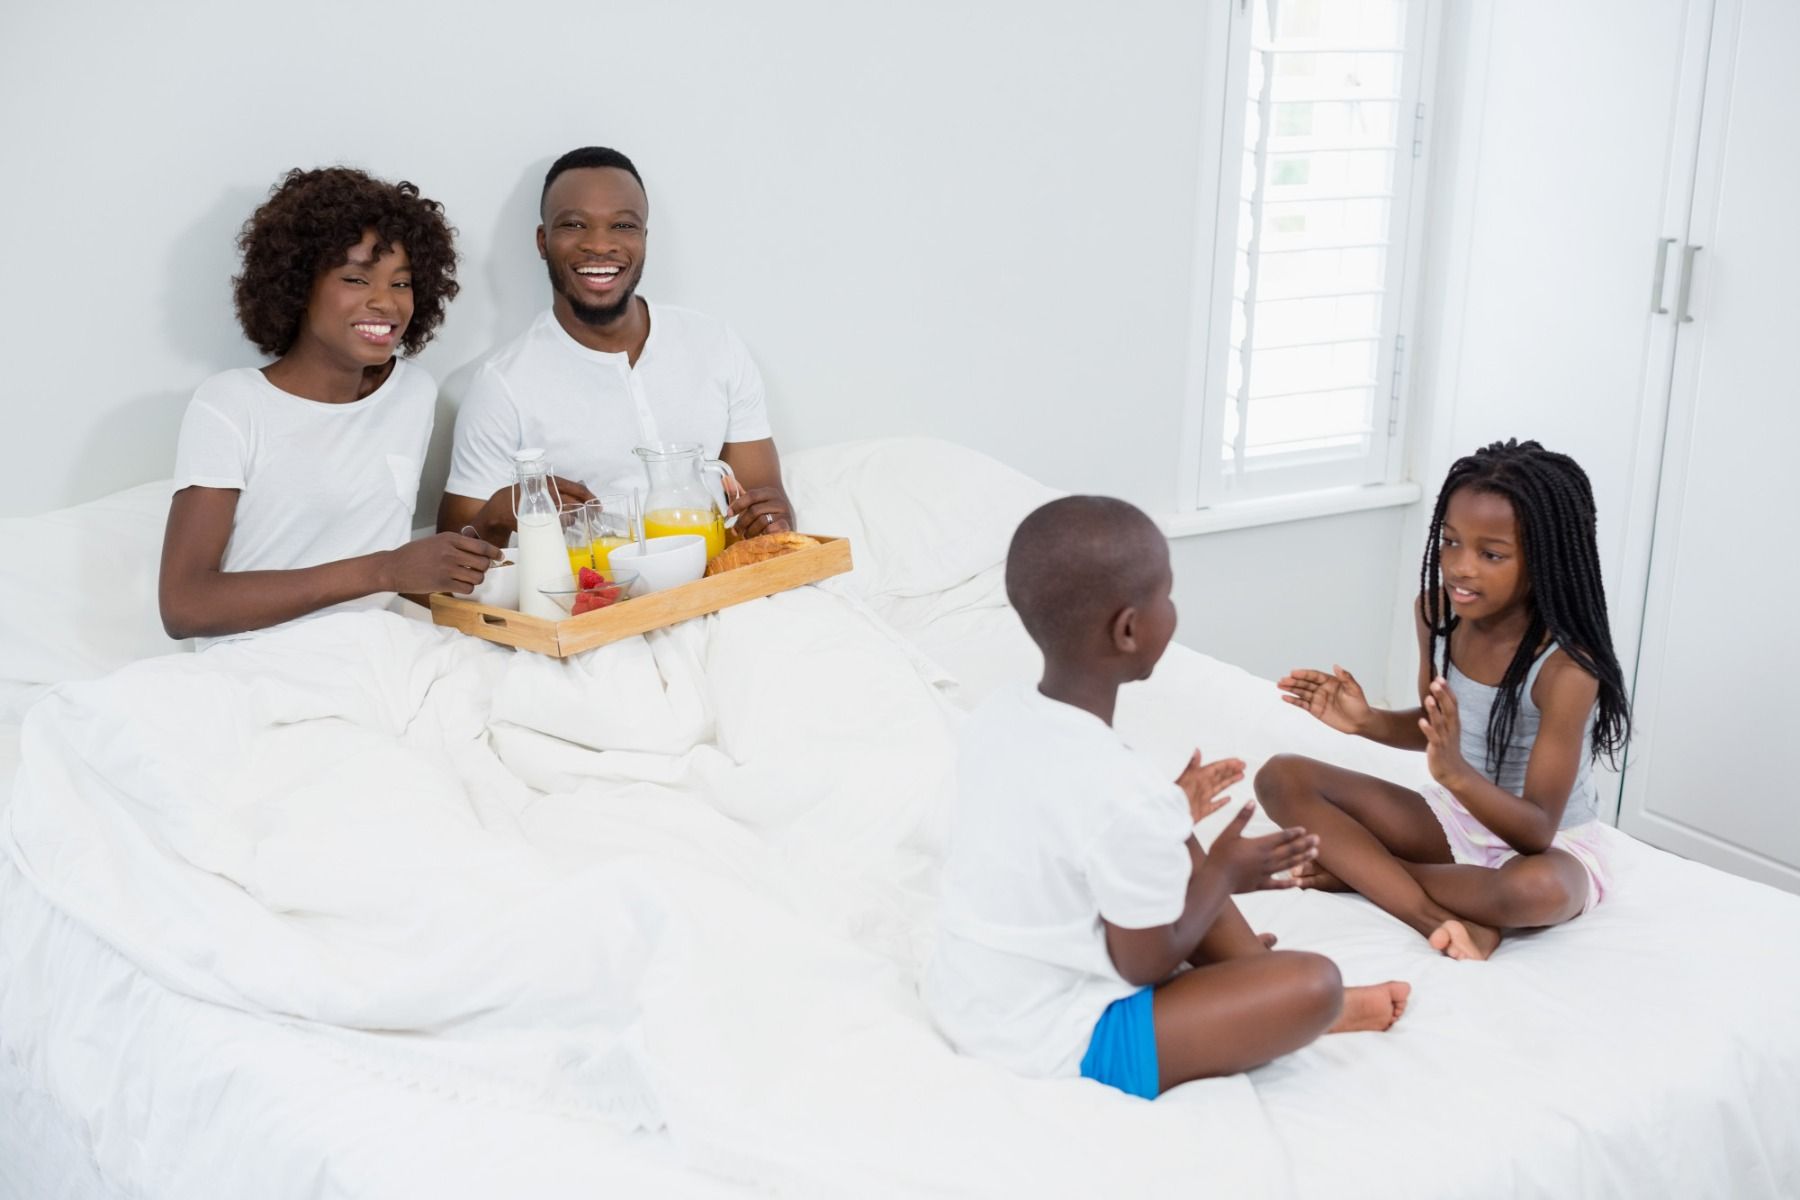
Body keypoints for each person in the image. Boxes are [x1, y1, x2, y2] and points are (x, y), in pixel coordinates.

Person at [924, 496, 1409, 1099]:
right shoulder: (1123, 791)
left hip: (969, 996)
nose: (1173, 611)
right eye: (1167, 597)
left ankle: (1240, 975)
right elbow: (1143, 965)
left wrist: (1169, 814)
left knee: (1170, 831)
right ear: (1129, 629)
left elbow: (1068, 831)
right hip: (1059, 1037)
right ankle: (1280, 995)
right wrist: (1225, 874)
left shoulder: (999, 714)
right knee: (1314, 985)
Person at [1257, 439, 1632, 961]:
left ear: (1545, 560)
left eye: (1491, 554)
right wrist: (1368, 722)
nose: (1460, 567)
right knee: (1281, 776)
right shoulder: (1436, 615)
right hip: (1456, 819)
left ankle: (1364, 873)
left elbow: (1536, 829)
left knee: (1536, 890)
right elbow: (1442, 731)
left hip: (1546, 843)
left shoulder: (1566, 669)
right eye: (1451, 542)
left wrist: (1454, 772)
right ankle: (1430, 914)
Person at [159, 167, 499, 642]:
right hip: (253, 667)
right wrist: (384, 570)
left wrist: (496, 520)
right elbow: (185, 606)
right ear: (298, 287)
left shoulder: (413, 394)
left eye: (401, 283)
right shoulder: (231, 404)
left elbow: (395, 561)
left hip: (377, 655)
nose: (386, 302)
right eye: (356, 279)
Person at [438, 146, 793, 545]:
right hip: (599, 599)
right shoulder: (502, 385)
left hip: (723, 585)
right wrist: (503, 512)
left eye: (623, 226)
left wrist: (771, 520)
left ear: (644, 237)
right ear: (543, 241)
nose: (600, 245)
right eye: (574, 225)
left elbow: (769, 507)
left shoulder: (715, 345)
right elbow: (454, 548)